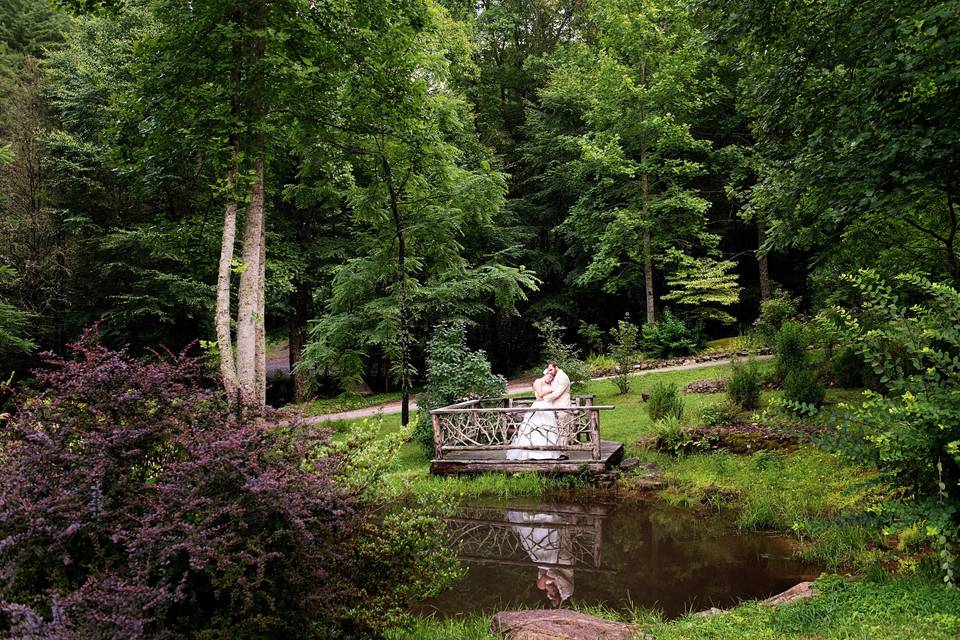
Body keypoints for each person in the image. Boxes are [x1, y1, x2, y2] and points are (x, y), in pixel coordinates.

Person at [506, 366, 564, 460]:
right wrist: (551, 389)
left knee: (548, 428)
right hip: (539, 406)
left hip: (548, 407)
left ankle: (549, 453)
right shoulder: (538, 382)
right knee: (534, 426)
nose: (550, 379)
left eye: (552, 378)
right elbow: (540, 395)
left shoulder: (550, 384)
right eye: (549, 376)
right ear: (545, 374)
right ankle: (532, 452)